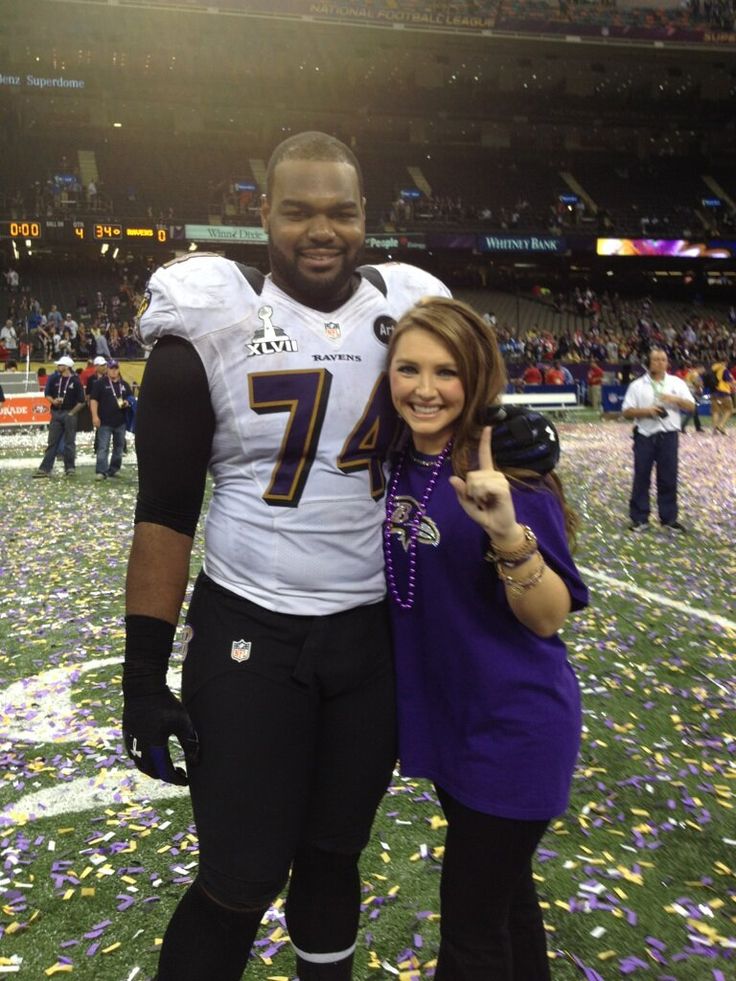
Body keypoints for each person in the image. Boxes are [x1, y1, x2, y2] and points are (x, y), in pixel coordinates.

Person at [121, 131, 452, 981]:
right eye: (298, 210)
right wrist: (141, 673)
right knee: (240, 875)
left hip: (366, 640)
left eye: (341, 212)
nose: (321, 230)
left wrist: (519, 434)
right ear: (261, 213)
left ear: (366, 218)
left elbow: (464, 416)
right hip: (251, 633)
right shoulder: (213, 316)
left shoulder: (408, 311)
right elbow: (164, 510)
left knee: (335, 857)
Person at [383, 297, 588, 980]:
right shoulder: (400, 459)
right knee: (507, 907)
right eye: (407, 368)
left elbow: (548, 615)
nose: (424, 387)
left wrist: (505, 530)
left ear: (477, 377)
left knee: (471, 933)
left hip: (515, 728)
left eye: (446, 371)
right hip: (452, 725)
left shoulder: (505, 473)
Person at [621, 348, 694, 533]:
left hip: (668, 436)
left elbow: (692, 407)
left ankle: (669, 520)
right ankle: (639, 519)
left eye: (663, 359)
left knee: (668, 478)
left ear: (667, 363)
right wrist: (647, 411)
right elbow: (627, 411)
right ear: (649, 362)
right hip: (644, 436)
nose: (660, 363)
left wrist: (675, 399)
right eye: (656, 359)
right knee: (641, 477)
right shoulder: (637, 385)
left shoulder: (677, 383)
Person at [33, 355, 85, 477]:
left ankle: (70, 467)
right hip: (56, 412)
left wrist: (72, 413)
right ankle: (45, 468)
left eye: (60, 365)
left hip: (69, 412)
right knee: (52, 442)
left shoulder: (76, 381)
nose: (58, 366)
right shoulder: (55, 379)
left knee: (69, 442)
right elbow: (47, 394)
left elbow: (82, 401)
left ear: (67, 367)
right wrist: (53, 401)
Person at [89, 359, 132, 480]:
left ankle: (114, 469)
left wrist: (128, 402)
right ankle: (101, 471)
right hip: (104, 421)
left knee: (119, 448)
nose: (113, 371)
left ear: (118, 369)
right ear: (107, 369)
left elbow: (130, 398)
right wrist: (95, 416)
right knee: (103, 447)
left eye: (116, 368)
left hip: (120, 421)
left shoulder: (124, 385)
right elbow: (93, 400)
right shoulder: (100, 384)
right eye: (111, 368)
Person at [708, 359, 734, 435]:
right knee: (729, 410)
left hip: (713, 392)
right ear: (724, 362)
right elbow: (729, 381)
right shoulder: (724, 370)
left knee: (715, 411)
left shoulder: (713, 369)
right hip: (723, 392)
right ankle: (721, 425)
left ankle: (714, 429)